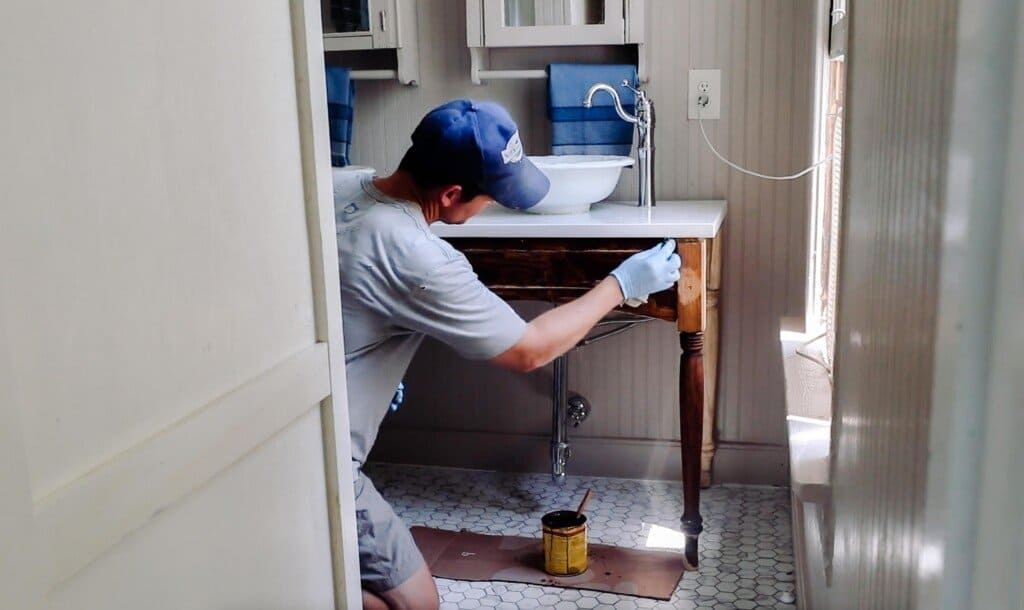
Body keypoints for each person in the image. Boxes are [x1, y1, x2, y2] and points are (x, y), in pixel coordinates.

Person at [334, 99, 680, 610]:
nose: (491, 206)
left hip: (282, 421)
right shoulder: (417, 255)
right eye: (490, 196)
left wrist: (358, 362)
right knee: (417, 604)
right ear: (451, 194)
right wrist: (620, 284)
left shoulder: (336, 185)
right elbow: (528, 349)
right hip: (324, 461)